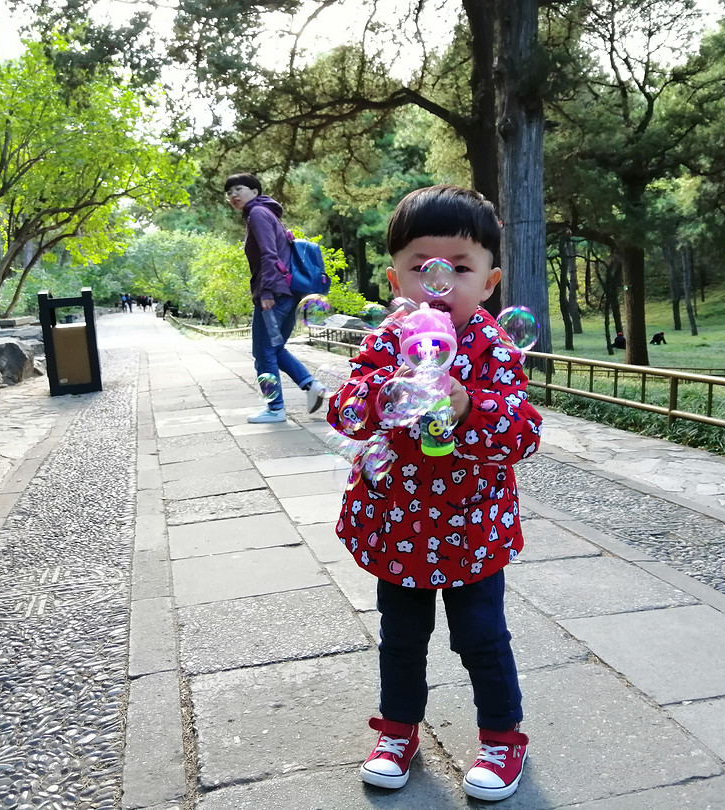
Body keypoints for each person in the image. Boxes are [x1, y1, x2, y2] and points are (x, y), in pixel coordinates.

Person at [327, 185, 542, 801]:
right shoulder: (385, 341)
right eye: (422, 268)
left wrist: (468, 406)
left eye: (460, 269)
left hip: (470, 524)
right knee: (400, 636)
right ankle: (397, 730)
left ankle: (502, 740)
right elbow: (343, 412)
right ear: (395, 276)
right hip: (397, 522)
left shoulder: (495, 349)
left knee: (480, 636)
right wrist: (383, 395)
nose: (439, 283)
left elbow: (523, 434)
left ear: (491, 280)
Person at [225, 172, 326, 423]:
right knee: (275, 348)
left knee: (263, 352)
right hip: (286, 293)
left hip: (274, 294)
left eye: (239, 189)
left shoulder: (257, 214)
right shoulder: (266, 213)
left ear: (255, 192)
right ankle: (311, 384)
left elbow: (269, 256)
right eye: (229, 193)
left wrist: (266, 292)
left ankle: (275, 409)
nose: (233, 195)